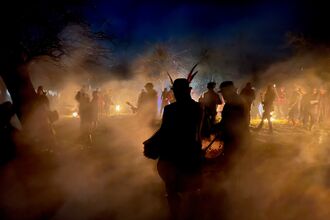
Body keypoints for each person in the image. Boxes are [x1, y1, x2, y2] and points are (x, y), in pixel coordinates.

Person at [144, 78, 203, 220]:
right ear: (189, 91)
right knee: (191, 189)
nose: (175, 94)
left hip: (172, 153)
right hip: (191, 152)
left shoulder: (170, 109)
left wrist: (151, 143)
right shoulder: (198, 107)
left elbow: (165, 131)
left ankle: (176, 214)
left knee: (171, 187)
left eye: (175, 91)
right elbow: (199, 132)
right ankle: (189, 214)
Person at [215, 81, 249, 162]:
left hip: (236, 139)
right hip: (238, 137)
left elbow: (230, 122)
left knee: (234, 162)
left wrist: (213, 128)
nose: (222, 95)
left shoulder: (234, 103)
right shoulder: (235, 101)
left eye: (223, 92)